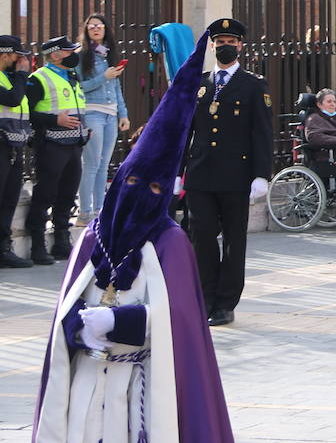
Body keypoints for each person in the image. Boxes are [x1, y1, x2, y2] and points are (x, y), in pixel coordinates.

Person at [32, 27, 234, 442]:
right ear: (121, 179)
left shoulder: (170, 242)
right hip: (87, 384)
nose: (142, 194)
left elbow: (178, 326)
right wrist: (79, 325)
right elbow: (65, 310)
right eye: (134, 182)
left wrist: (120, 321)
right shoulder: (94, 235)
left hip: (142, 386)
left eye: (157, 189)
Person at [181, 17, 272, 327]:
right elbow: (185, 130)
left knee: (234, 241)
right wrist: (177, 172)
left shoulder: (253, 85)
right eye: (220, 43)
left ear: (240, 46)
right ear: (213, 46)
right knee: (202, 237)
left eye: (230, 42)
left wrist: (261, 174)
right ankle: (204, 297)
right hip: (201, 174)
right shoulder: (201, 83)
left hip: (236, 174)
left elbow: (262, 132)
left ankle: (225, 302)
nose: (225, 47)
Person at [25, 36, 87, 266]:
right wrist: (55, 120)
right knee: (45, 195)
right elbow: (26, 113)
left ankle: (61, 241)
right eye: (69, 51)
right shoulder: (39, 78)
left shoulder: (72, 76)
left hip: (73, 145)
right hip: (50, 145)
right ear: (55, 54)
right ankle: (37, 244)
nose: (74, 55)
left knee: (68, 195)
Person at [76, 14, 130, 226]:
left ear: (106, 30)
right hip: (92, 112)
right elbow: (79, 87)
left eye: (99, 26)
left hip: (110, 112)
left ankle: (100, 209)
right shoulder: (81, 55)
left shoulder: (109, 55)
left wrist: (123, 114)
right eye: (92, 27)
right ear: (87, 31)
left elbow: (116, 87)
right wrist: (103, 77)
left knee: (103, 164)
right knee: (91, 163)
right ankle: (84, 212)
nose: (96, 29)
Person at [0, 35, 32, 268]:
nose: (20, 62)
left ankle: (4, 249)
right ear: (5, 55)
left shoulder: (10, 78)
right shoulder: (11, 80)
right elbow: (12, 100)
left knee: (9, 199)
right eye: (17, 57)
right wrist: (22, 74)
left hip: (13, 146)